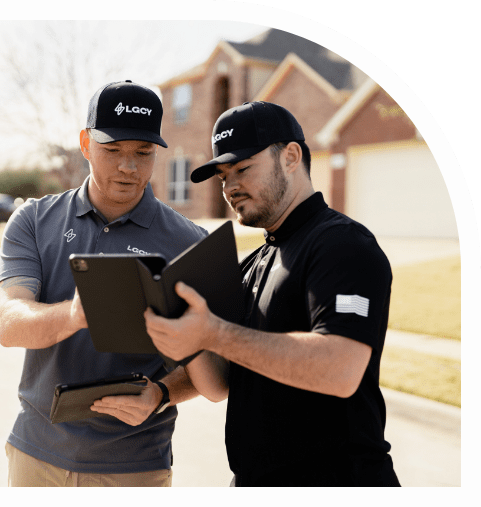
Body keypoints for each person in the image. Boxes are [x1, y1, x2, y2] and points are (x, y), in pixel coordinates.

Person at [145, 101, 401, 487]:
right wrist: (186, 339)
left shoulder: (343, 245)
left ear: (291, 156)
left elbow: (341, 369)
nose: (230, 187)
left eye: (243, 169)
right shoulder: (253, 262)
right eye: (222, 176)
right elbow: (219, 385)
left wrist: (214, 333)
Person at [0, 80, 207, 487]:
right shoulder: (34, 221)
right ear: (85, 143)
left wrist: (162, 393)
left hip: (135, 464)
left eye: (143, 154)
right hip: (36, 453)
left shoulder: (189, 241)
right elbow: (8, 324)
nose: (129, 167)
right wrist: (74, 314)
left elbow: (211, 363)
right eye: (113, 151)